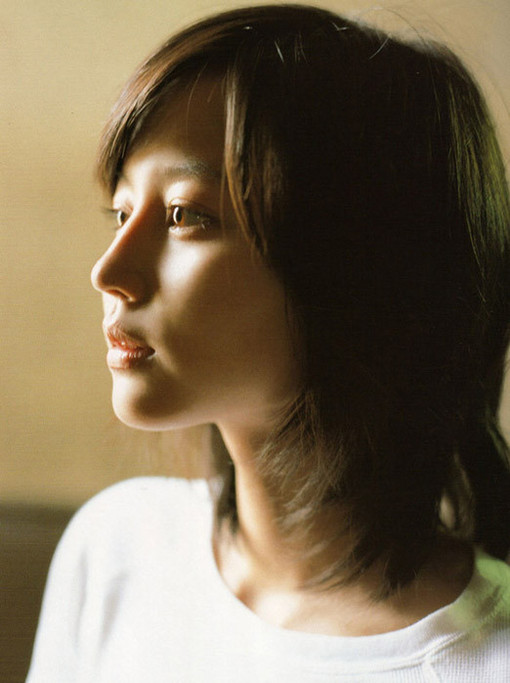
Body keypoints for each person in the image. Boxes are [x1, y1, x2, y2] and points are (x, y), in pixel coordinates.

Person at [27, 5, 510, 681]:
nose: (108, 271)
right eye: (122, 211)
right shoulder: (115, 552)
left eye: (186, 215)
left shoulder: (485, 656)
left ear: (357, 265)